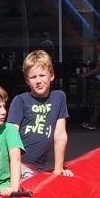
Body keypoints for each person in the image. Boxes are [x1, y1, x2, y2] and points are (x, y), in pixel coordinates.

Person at [7, 49, 69, 179]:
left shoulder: (59, 98)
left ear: (52, 75)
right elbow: (11, 135)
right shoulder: (20, 100)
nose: (38, 80)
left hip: (37, 168)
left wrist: (58, 169)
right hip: (18, 164)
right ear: (27, 80)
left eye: (42, 75)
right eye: (33, 77)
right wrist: (14, 168)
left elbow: (60, 134)